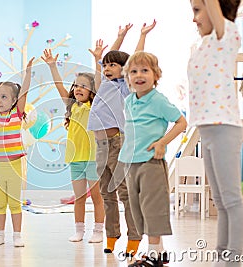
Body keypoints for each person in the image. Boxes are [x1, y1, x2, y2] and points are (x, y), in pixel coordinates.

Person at [87, 21, 156, 255]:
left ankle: (134, 238)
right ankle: (111, 235)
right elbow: (105, 60)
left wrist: (139, 35)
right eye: (105, 65)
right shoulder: (104, 83)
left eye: (113, 65)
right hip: (100, 145)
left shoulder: (125, 87)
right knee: (106, 192)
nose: (106, 68)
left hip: (118, 144)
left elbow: (136, 59)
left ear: (124, 69)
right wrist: (118, 37)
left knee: (125, 193)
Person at [188, 1, 243, 266]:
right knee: (220, 201)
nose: (194, 19)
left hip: (224, 127)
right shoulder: (202, 46)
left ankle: (231, 260)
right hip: (207, 128)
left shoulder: (228, 35)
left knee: (232, 200)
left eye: (197, 10)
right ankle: (222, 257)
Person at [119, 51, 187, 266]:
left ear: (156, 75)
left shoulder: (158, 100)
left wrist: (162, 143)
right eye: (134, 71)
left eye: (145, 70)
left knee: (152, 207)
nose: (139, 75)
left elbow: (181, 123)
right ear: (127, 77)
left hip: (150, 162)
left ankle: (154, 255)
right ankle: (160, 251)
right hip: (131, 162)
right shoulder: (129, 100)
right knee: (137, 208)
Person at [41, 48, 105, 243]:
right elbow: (59, 86)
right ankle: (79, 230)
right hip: (76, 159)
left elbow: (100, 84)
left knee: (96, 196)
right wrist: (52, 66)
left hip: (93, 158)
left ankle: (98, 231)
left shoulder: (94, 106)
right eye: (76, 85)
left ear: (92, 90)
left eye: (84, 86)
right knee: (79, 197)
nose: (78, 88)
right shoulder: (72, 106)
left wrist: (97, 61)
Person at [0, 54, 34, 247]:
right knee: (0, 203)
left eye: (3, 97)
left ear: (14, 101)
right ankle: (0, 235)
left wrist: (28, 74)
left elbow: (25, 92)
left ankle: (17, 236)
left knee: (14, 203)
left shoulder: (16, 114)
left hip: (14, 165)